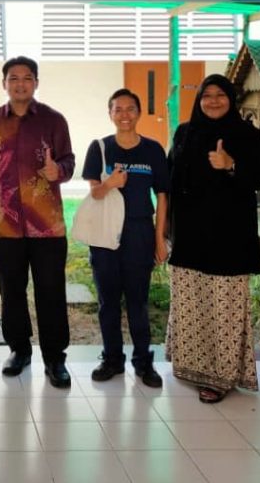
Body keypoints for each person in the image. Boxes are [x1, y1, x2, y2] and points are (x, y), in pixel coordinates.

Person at [165, 74, 260, 403]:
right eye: (206, 95)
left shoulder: (246, 134)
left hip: (229, 238)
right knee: (193, 303)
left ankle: (221, 376)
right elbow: (170, 178)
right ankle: (192, 367)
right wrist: (165, 228)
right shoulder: (185, 132)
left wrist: (231, 164)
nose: (213, 101)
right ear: (198, 100)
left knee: (224, 308)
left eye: (220, 94)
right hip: (189, 237)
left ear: (231, 98)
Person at [0, 56, 75, 388]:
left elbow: (68, 160)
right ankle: (19, 350)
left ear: (36, 82)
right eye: (14, 78)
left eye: (27, 78)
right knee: (11, 291)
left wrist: (57, 170)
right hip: (4, 223)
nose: (20, 83)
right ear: (4, 83)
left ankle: (55, 357)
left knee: (51, 291)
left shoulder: (53, 120)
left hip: (46, 224)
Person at [82, 88, 169, 387]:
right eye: (117, 109)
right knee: (108, 301)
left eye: (130, 108)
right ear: (110, 114)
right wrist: (110, 183)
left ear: (139, 112)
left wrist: (160, 239)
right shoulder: (100, 148)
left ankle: (144, 362)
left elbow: (162, 196)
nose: (124, 115)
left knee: (138, 301)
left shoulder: (153, 150)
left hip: (139, 232)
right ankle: (112, 359)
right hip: (105, 234)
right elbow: (94, 193)